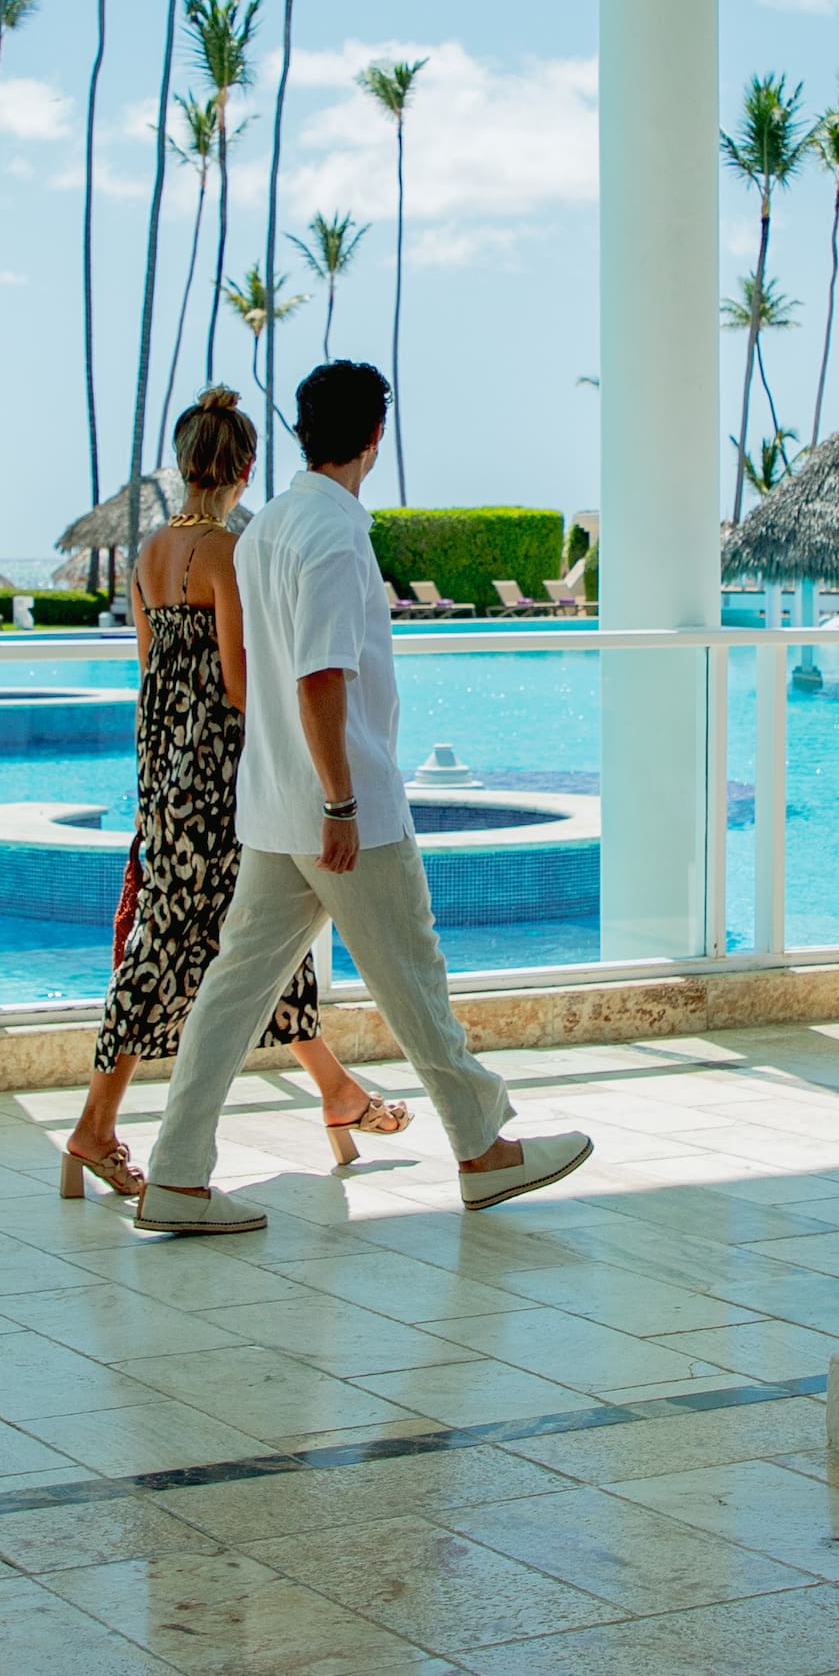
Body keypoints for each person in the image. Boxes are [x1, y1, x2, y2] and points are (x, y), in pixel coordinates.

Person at [134, 359, 591, 1236]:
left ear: (304, 431)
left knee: (232, 992)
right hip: (341, 812)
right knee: (413, 977)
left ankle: (176, 1174)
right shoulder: (335, 536)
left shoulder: (266, 528)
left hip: (273, 804)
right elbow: (319, 676)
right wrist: (342, 803)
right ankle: (483, 1151)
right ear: (376, 437)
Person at [60, 389, 407, 1201]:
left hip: (164, 773)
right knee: (185, 943)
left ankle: (336, 1091)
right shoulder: (227, 553)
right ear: (246, 468)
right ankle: (94, 1127)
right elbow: (241, 684)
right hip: (223, 777)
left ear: (184, 464)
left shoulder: (149, 554)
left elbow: (151, 671)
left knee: (250, 937)